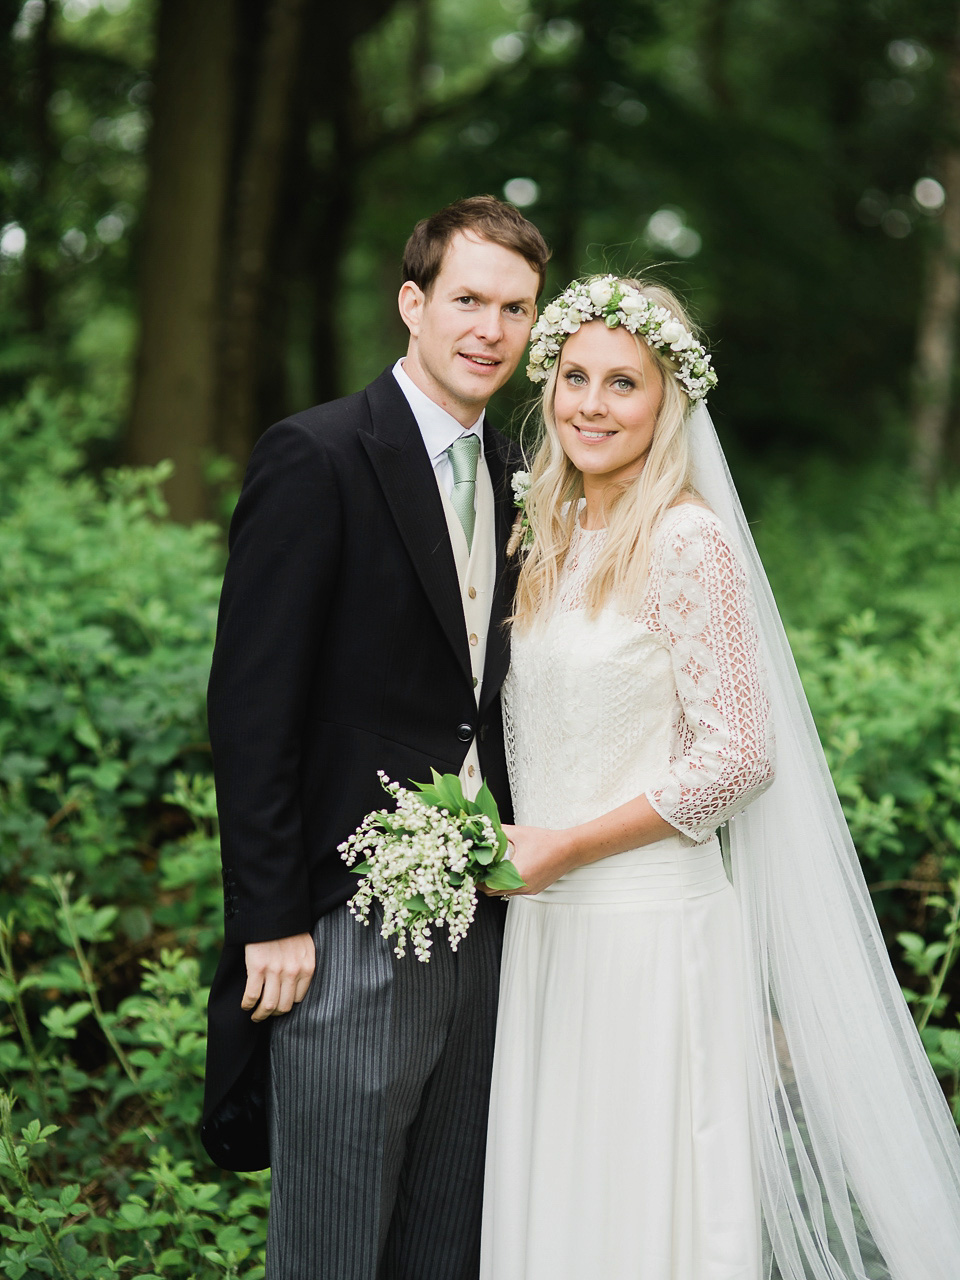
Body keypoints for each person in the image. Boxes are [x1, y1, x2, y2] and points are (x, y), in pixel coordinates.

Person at [479, 275, 960, 1280]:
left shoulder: (688, 541)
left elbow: (738, 755)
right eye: (574, 377)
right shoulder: (540, 533)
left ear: (666, 405)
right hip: (543, 927)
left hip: (647, 929)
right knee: (558, 1199)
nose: (592, 405)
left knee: (642, 1206)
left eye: (624, 383)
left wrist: (566, 844)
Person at [200, 195, 550, 1280]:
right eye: (467, 301)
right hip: (342, 928)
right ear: (413, 302)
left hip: (483, 929)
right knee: (333, 1250)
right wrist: (271, 918)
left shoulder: (519, 476)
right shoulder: (316, 456)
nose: (489, 329)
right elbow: (252, 704)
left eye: (515, 308)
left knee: (444, 1246)